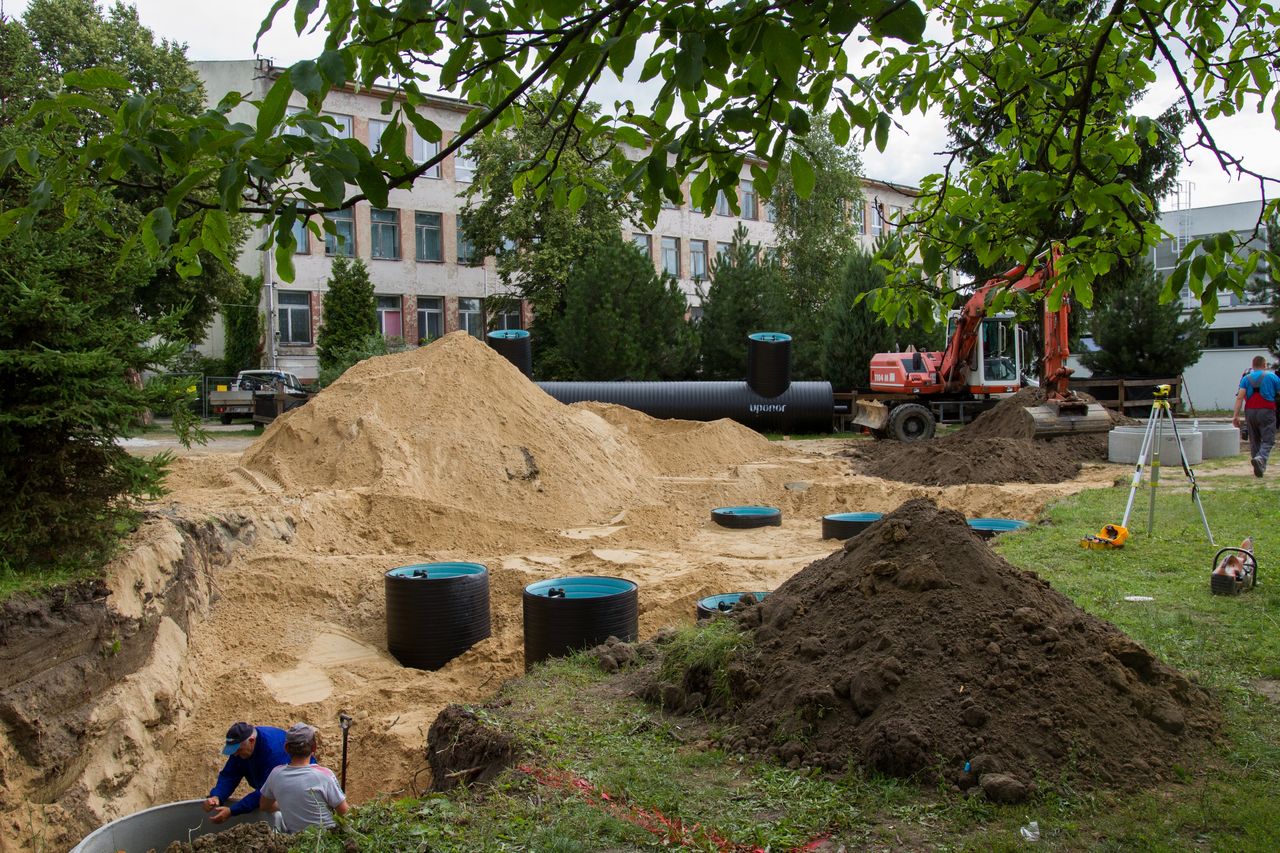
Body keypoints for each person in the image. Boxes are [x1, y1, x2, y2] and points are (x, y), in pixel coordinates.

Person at [260, 723, 350, 833]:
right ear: (314, 748)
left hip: (297, 843)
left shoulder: (275, 774)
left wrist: (289, 805)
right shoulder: (324, 775)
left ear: (286, 748)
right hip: (326, 840)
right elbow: (345, 813)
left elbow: (264, 805)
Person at [203, 722, 293, 823]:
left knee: (274, 805)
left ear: (251, 741)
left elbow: (266, 791)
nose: (235, 754)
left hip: (294, 786)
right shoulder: (241, 747)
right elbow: (230, 774)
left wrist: (232, 811)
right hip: (269, 783)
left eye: (238, 750)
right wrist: (217, 796)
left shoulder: (272, 751)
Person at [1231, 355, 1280, 477]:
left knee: (1254, 440)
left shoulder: (1246, 379)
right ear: (1264, 365)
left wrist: (1235, 416)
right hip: (1267, 411)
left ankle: (1258, 468)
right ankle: (1261, 458)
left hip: (1250, 412)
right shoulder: (1272, 377)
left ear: (1252, 366)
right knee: (1268, 440)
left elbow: (1240, 397)